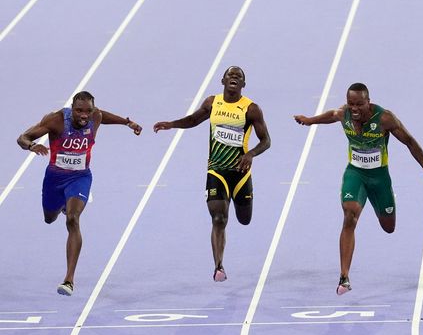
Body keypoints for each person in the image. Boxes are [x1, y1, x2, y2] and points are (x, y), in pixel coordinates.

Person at [294, 82, 423, 295]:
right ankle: (344, 277)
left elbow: (409, 141)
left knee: (389, 227)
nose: (354, 108)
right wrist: (310, 121)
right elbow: (331, 115)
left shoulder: (384, 119)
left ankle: (384, 202)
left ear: (368, 102)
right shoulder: (344, 114)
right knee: (349, 215)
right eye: (350, 103)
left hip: (379, 178)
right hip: (356, 174)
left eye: (359, 104)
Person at [17, 91, 143, 296]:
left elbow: (105, 115)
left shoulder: (96, 117)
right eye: (79, 111)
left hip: (80, 178)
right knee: (49, 218)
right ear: (71, 109)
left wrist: (128, 123)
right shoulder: (56, 120)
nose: (84, 115)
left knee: (73, 220)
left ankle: (68, 280)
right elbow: (22, 137)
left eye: (88, 111)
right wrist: (32, 145)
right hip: (54, 179)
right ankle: (62, 207)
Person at [154, 66, 271, 282]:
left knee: (244, 220)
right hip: (216, 170)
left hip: (241, 174)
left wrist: (251, 154)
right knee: (218, 218)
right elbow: (192, 120)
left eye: (239, 77)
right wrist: (171, 124)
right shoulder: (212, 103)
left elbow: (266, 141)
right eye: (230, 75)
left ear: (243, 85)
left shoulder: (251, 109)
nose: (234, 78)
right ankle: (219, 266)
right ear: (223, 80)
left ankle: (239, 205)